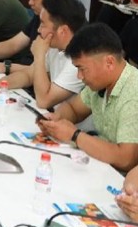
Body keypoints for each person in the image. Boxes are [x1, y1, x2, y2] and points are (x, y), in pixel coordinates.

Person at [37, 23, 138, 172]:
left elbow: (126, 159)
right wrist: (56, 119)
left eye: (82, 69)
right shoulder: (102, 82)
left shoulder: (133, 93)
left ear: (109, 62)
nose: (79, 76)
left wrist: (74, 135)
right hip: (102, 167)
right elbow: (74, 109)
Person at [0, 0, 87, 109]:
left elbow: (44, 101)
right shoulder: (55, 46)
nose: (38, 30)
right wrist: (1, 83)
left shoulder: (79, 61)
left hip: (64, 118)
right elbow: (28, 75)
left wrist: (39, 55)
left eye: (43, 24)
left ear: (63, 31)